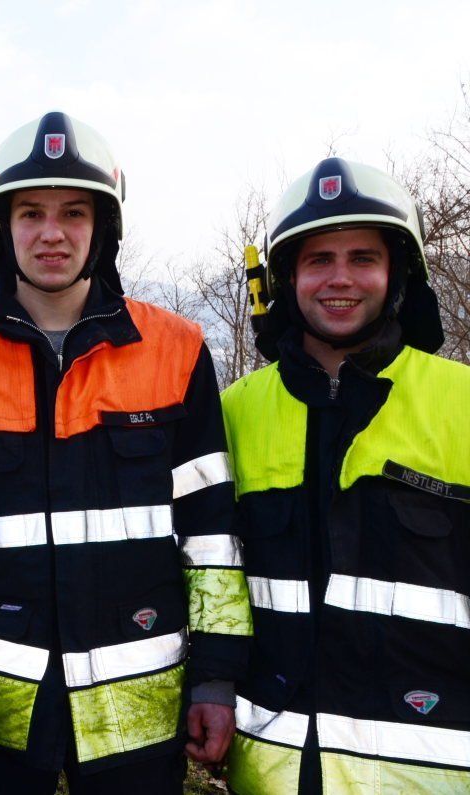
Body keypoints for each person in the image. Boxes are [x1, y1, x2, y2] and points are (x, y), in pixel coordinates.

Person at [0, 111, 253, 793]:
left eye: (73, 212)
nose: (52, 232)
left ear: (103, 229)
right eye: (30, 213)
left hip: (138, 713)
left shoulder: (178, 353)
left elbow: (211, 535)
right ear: (1, 229)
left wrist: (216, 674)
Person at [222, 157, 470, 793]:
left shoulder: (462, 403)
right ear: (287, 279)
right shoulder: (234, 414)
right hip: (271, 775)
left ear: (399, 274)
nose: (340, 279)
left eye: (363, 258)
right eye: (319, 260)